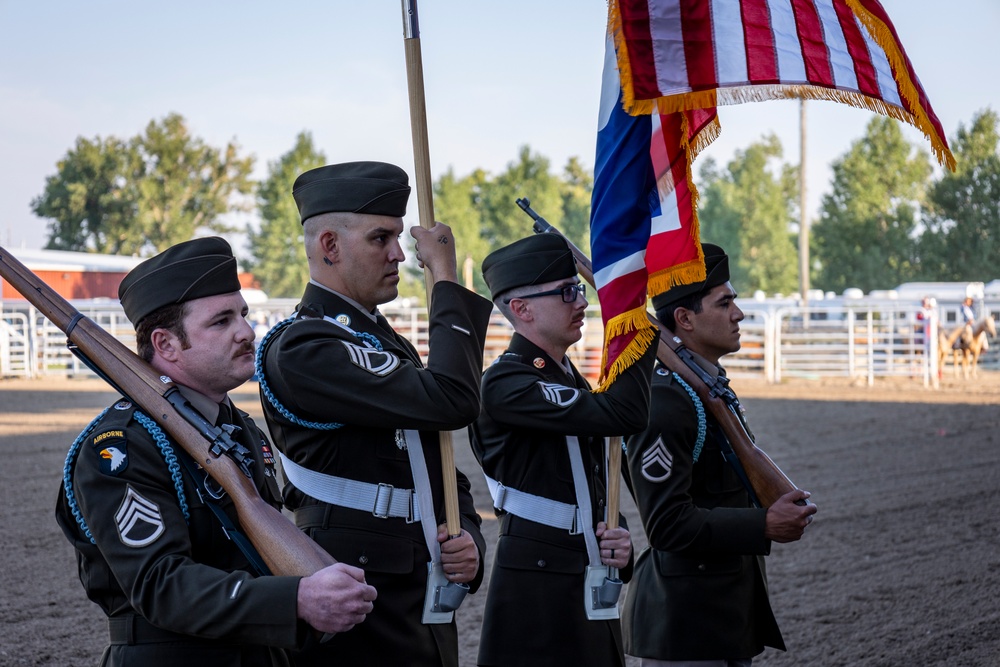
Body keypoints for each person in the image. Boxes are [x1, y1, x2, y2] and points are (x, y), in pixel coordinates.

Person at [55, 237, 377, 667]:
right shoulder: (122, 445)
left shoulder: (239, 429)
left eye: (242, 314)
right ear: (166, 344)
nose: (246, 331)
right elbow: (159, 584)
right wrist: (293, 599)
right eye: (221, 321)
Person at [256, 161, 492, 667]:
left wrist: (466, 533)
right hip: (353, 582)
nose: (400, 255)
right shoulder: (306, 346)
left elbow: (439, 466)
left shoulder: (379, 340)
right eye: (380, 238)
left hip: (415, 579)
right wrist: (445, 280)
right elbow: (453, 401)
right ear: (329, 246)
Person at [622, 243, 818, 666]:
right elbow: (666, 525)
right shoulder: (666, 400)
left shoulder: (705, 388)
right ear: (685, 318)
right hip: (685, 624)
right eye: (724, 302)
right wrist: (763, 522)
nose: (739, 313)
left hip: (719, 614)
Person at [470, 234, 660, 667]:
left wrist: (617, 534)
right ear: (521, 309)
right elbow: (623, 413)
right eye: (567, 292)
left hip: (582, 569)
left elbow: (583, 478)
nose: (583, 302)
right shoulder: (505, 383)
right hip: (538, 582)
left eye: (579, 288)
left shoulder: (567, 377)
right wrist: (634, 326)